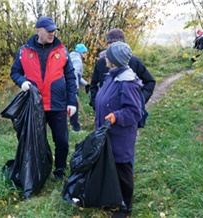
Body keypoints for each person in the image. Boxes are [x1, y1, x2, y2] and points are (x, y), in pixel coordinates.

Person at [10, 16, 78, 180]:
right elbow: (15, 72)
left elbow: (70, 77)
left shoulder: (62, 51)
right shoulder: (24, 51)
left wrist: (72, 102)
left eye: (53, 30)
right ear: (37, 30)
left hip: (57, 104)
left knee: (61, 140)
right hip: (35, 105)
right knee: (34, 140)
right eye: (48, 30)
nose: (52, 33)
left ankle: (60, 170)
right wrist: (22, 82)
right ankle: (39, 168)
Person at [95, 41, 142, 218]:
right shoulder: (112, 76)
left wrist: (116, 116)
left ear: (114, 60)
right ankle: (113, 200)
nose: (105, 57)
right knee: (111, 168)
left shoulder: (128, 82)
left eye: (108, 55)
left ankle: (125, 207)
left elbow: (134, 112)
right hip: (108, 133)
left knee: (122, 171)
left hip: (120, 136)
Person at [89, 28, 156, 110]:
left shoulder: (134, 61)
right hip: (105, 112)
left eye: (116, 44)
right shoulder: (101, 63)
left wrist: (140, 100)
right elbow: (94, 84)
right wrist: (96, 103)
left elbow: (150, 82)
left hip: (128, 112)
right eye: (110, 44)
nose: (113, 47)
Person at [69, 43, 89, 132]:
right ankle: (75, 128)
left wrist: (86, 84)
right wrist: (74, 87)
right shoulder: (78, 60)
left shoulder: (70, 57)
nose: (86, 55)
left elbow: (78, 76)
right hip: (71, 86)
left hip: (64, 85)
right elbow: (74, 74)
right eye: (85, 53)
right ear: (82, 53)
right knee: (74, 106)